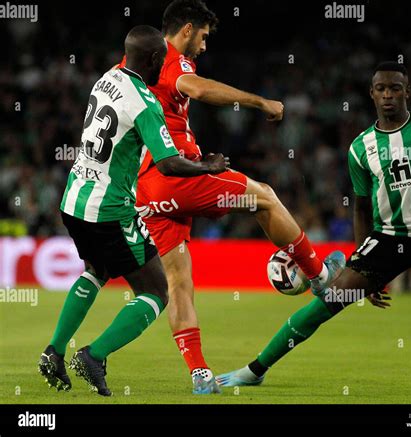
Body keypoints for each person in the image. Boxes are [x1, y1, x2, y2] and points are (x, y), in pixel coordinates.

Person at [120, 0, 345, 394]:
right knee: (265, 197)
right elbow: (199, 88)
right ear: (186, 29)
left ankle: (200, 375)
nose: (204, 46)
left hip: (146, 188)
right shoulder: (172, 60)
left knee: (178, 283)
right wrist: (261, 102)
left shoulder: (136, 65)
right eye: (203, 36)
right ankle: (319, 277)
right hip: (176, 177)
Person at [216, 61, 411, 387]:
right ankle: (255, 370)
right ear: (372, 94)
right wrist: (361, 259)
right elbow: (362, 208)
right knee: (325, 305)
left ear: (407, 91)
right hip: (386, 239)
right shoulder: (360, 148)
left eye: (395, 88)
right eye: (381, 89)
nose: (388, 95)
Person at [38, 25, 229, 396]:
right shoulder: (145, 102)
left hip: (74, 199)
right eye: (163, 60)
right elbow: (170, 163)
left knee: (97, 270)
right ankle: (94, 355)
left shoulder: (106, 79)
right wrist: (208, 166)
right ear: (156, 59)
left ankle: (54, 351)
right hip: (109, 210)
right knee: (157, 290)